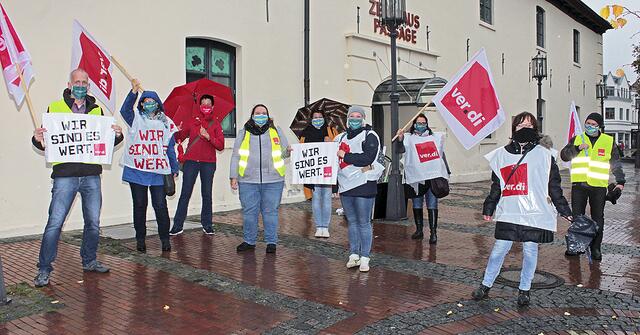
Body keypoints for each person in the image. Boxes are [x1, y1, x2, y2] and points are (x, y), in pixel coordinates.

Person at [31, 68, 124, 287]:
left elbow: (105, 143)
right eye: (77, 82)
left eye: (84, 82)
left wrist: (117, 136)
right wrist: (37, 139)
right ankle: (44, 269)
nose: (81, 85)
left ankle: (89, 260)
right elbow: (47, 144)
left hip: (91, 175)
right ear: (70, 84)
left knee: (93, 222)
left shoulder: (97, 111)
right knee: (55, 223)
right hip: (65, 176)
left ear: (88, 86)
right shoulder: (55, 108)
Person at [472, 112, 572, 306]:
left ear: (535, 129)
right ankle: (486, 285)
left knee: (530, 251)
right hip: (510, 210)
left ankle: (524, 289)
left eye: (529, 125)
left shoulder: (545, 154)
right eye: (520, 125)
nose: (524, 128)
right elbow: (497, 185)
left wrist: (564, 209)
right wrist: (489, 205)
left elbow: (554, 185)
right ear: (514, 129)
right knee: (498, 251)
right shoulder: (501, 154)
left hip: (533, 213)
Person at [120, 79, 179, 253]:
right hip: (137, 170)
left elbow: (170, 147)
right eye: (145, 102)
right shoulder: (135, 118)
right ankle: (140, 239)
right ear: (141, 104)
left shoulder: (167, 122)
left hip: (158, 172)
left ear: (158, 104)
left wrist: (174, 168)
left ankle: (165, 239)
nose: (149, 104)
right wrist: (133, 93)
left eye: (152, 102)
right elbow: (125, 110)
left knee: (160, 206)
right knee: (139, 205)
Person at [560, 113, 625, 260]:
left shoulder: (608, 141)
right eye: (588, 123)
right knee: (577, 217)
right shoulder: (577, 139)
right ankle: (575, 247)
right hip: (579, 185)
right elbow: (564, 155)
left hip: (598, 187)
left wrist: (620, 182)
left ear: (599, 126)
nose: (590, 126)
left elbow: (615, 163)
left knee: (598, 219)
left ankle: (596, 248)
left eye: (593, 124)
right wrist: (577, 148)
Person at [230, 104, 290, 254]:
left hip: (273, 180)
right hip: (248, 180)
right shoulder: (243, 132)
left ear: (268, 115)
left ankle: (271, 242)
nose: (261, 115)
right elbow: (236, 155)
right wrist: (233, 176)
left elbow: (284, 152)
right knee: (249, 212)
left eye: (264, 113)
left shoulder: (276, 130)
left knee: (270, 212)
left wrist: (287, 151)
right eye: (258, 113)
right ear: (252, 115)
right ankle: (249, 241)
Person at [169, 94, 224, 236]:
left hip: (208, 163)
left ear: (212, 107)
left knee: (207, 193)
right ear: (200, 106)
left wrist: (208, 137)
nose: (206, 106)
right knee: (185, 193)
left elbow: (221, 145)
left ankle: (207, 224)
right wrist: (177, 130)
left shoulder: (216, 124)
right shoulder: (193, 121)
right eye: (203, 104)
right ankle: (177, 225)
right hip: (191, 162)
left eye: (208, 104)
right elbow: (179, 138)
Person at [337, 106, 384, 272]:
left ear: (363, 118)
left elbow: (367, 158)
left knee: (364, 222)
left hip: (364, 183)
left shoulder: (370, 135)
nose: (355, 119)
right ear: (347, 118)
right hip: (345, 185)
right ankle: (354, 254)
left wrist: (346, 156)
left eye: (358, 116)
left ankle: (365, 257)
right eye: (352, 116)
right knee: (352, 222)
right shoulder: (340, 137)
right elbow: (331, 160)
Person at [395, 113, 450, 243]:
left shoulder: (435, 138)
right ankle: (419, 230)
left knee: (432, 204)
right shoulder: (408, 138)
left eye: (423, 123)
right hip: (416, 177)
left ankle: (433, 233)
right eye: (418, 123)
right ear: (414, 124)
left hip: (432, 178)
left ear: (427, 124)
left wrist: (446, 172)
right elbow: (399, 150)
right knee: (417, 203)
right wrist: (400, 139)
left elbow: (441, 156)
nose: (421, 125)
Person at [300, 111, 334, 238]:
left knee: (326, 198)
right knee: (316, 197)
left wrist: (331, 142)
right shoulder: (306, 132)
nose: (318, 119)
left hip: (327, 170)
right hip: (313, 171)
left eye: (320, 117)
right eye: (315, 117)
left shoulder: (330, 131)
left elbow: (338, 147)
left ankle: (325, 226)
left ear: (324, 118)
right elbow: (301, 150)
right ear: (311, 119)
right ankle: (318, 226)